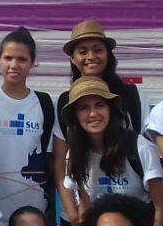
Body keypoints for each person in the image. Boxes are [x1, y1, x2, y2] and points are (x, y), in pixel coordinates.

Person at [59, 77, 163, 226]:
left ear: (111, 109)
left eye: (99, 105)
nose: (93, 113)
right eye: (84, 108)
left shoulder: (138, 146)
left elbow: (162, 207)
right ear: (75, 117)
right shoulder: (75, 154)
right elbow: (85, 209)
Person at [51, 20, 147, 213]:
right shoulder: (64, 102)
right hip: (85, 209)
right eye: (82, 51)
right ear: (72, 58)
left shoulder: (132, 95)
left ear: (108, 54)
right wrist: (72, 212)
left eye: (97, 50)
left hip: (131, 208)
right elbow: (61, 163)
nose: (91, 57)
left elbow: (147, 150)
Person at [0, 27, 56, 226]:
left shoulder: (45, 103)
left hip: (34, 212)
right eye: (8, 58)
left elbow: (50, 158)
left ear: (32, 62)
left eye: (22, 59)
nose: (14, 65)